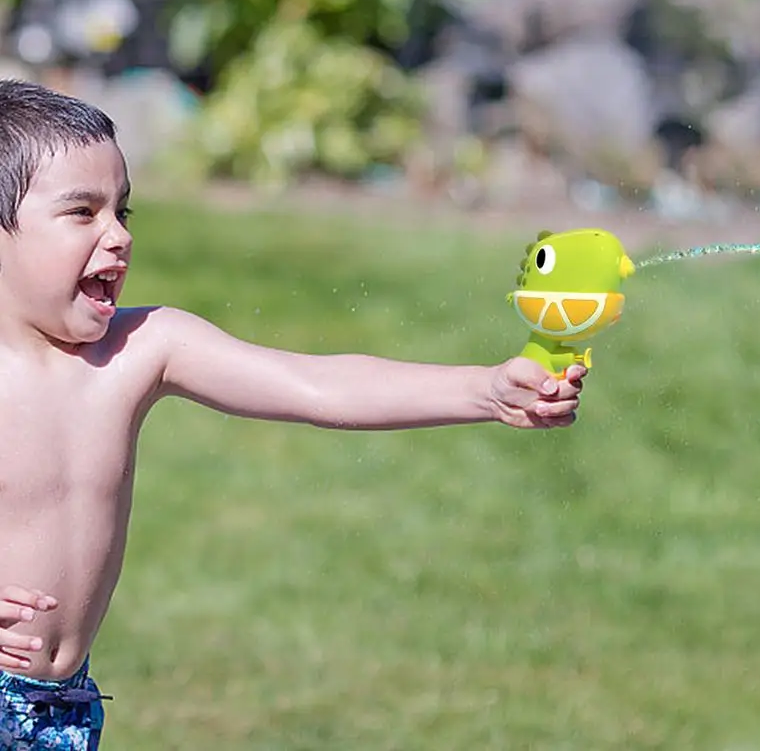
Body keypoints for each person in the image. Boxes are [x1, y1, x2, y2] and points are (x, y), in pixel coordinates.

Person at [0, 78, 587, 750]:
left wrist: (484, 391)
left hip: (64, 707)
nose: (118, 236)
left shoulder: (142, 348)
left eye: (123, 212)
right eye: (83, 213)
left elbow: (317, 386)